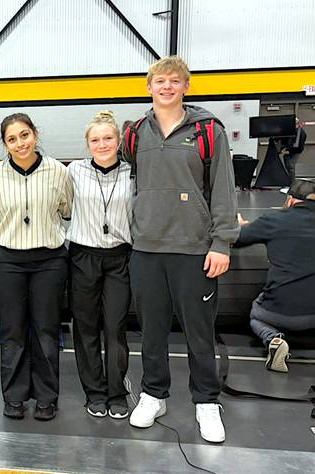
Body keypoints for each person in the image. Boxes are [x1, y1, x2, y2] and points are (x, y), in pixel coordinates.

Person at [125, 56, 238, 444]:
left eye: (175, 81)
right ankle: (154, 394)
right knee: (151, 331)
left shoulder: (209, 130)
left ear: (186, 87)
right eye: (160, 81)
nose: (167, 87)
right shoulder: (136, 132)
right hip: (146, 248)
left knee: (199, 332)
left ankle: (206, 401)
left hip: (194, 249)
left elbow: (223, 188)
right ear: (149, 87)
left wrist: (221, 242)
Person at [0, 113, 73, 421]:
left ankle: (47, 396)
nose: (19, 143)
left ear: (35, 134)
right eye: (12, 139)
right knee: (13, 330)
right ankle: (15, 396)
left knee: (46, 329)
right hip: (9, 260)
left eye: (24, 135)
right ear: (5, 144)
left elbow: (67, 209)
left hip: (50, 259)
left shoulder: (58, 171)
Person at [66, 111, 132, 419]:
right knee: (86, 327)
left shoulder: (133, 173)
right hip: (82, 257)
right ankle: (94, 391)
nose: (102, 144)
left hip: (119, 257)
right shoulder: (73, 171)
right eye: (95, 139)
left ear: (118, 141)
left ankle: (117, 392)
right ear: (87, 143)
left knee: (115, 327)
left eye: (108, 138)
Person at [234, 178, 315, 373]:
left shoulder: (275, 220)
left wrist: (241, 225)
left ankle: (273, 338)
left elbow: (237, 238)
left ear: (290, 200)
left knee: (256, 315)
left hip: (280, 310)